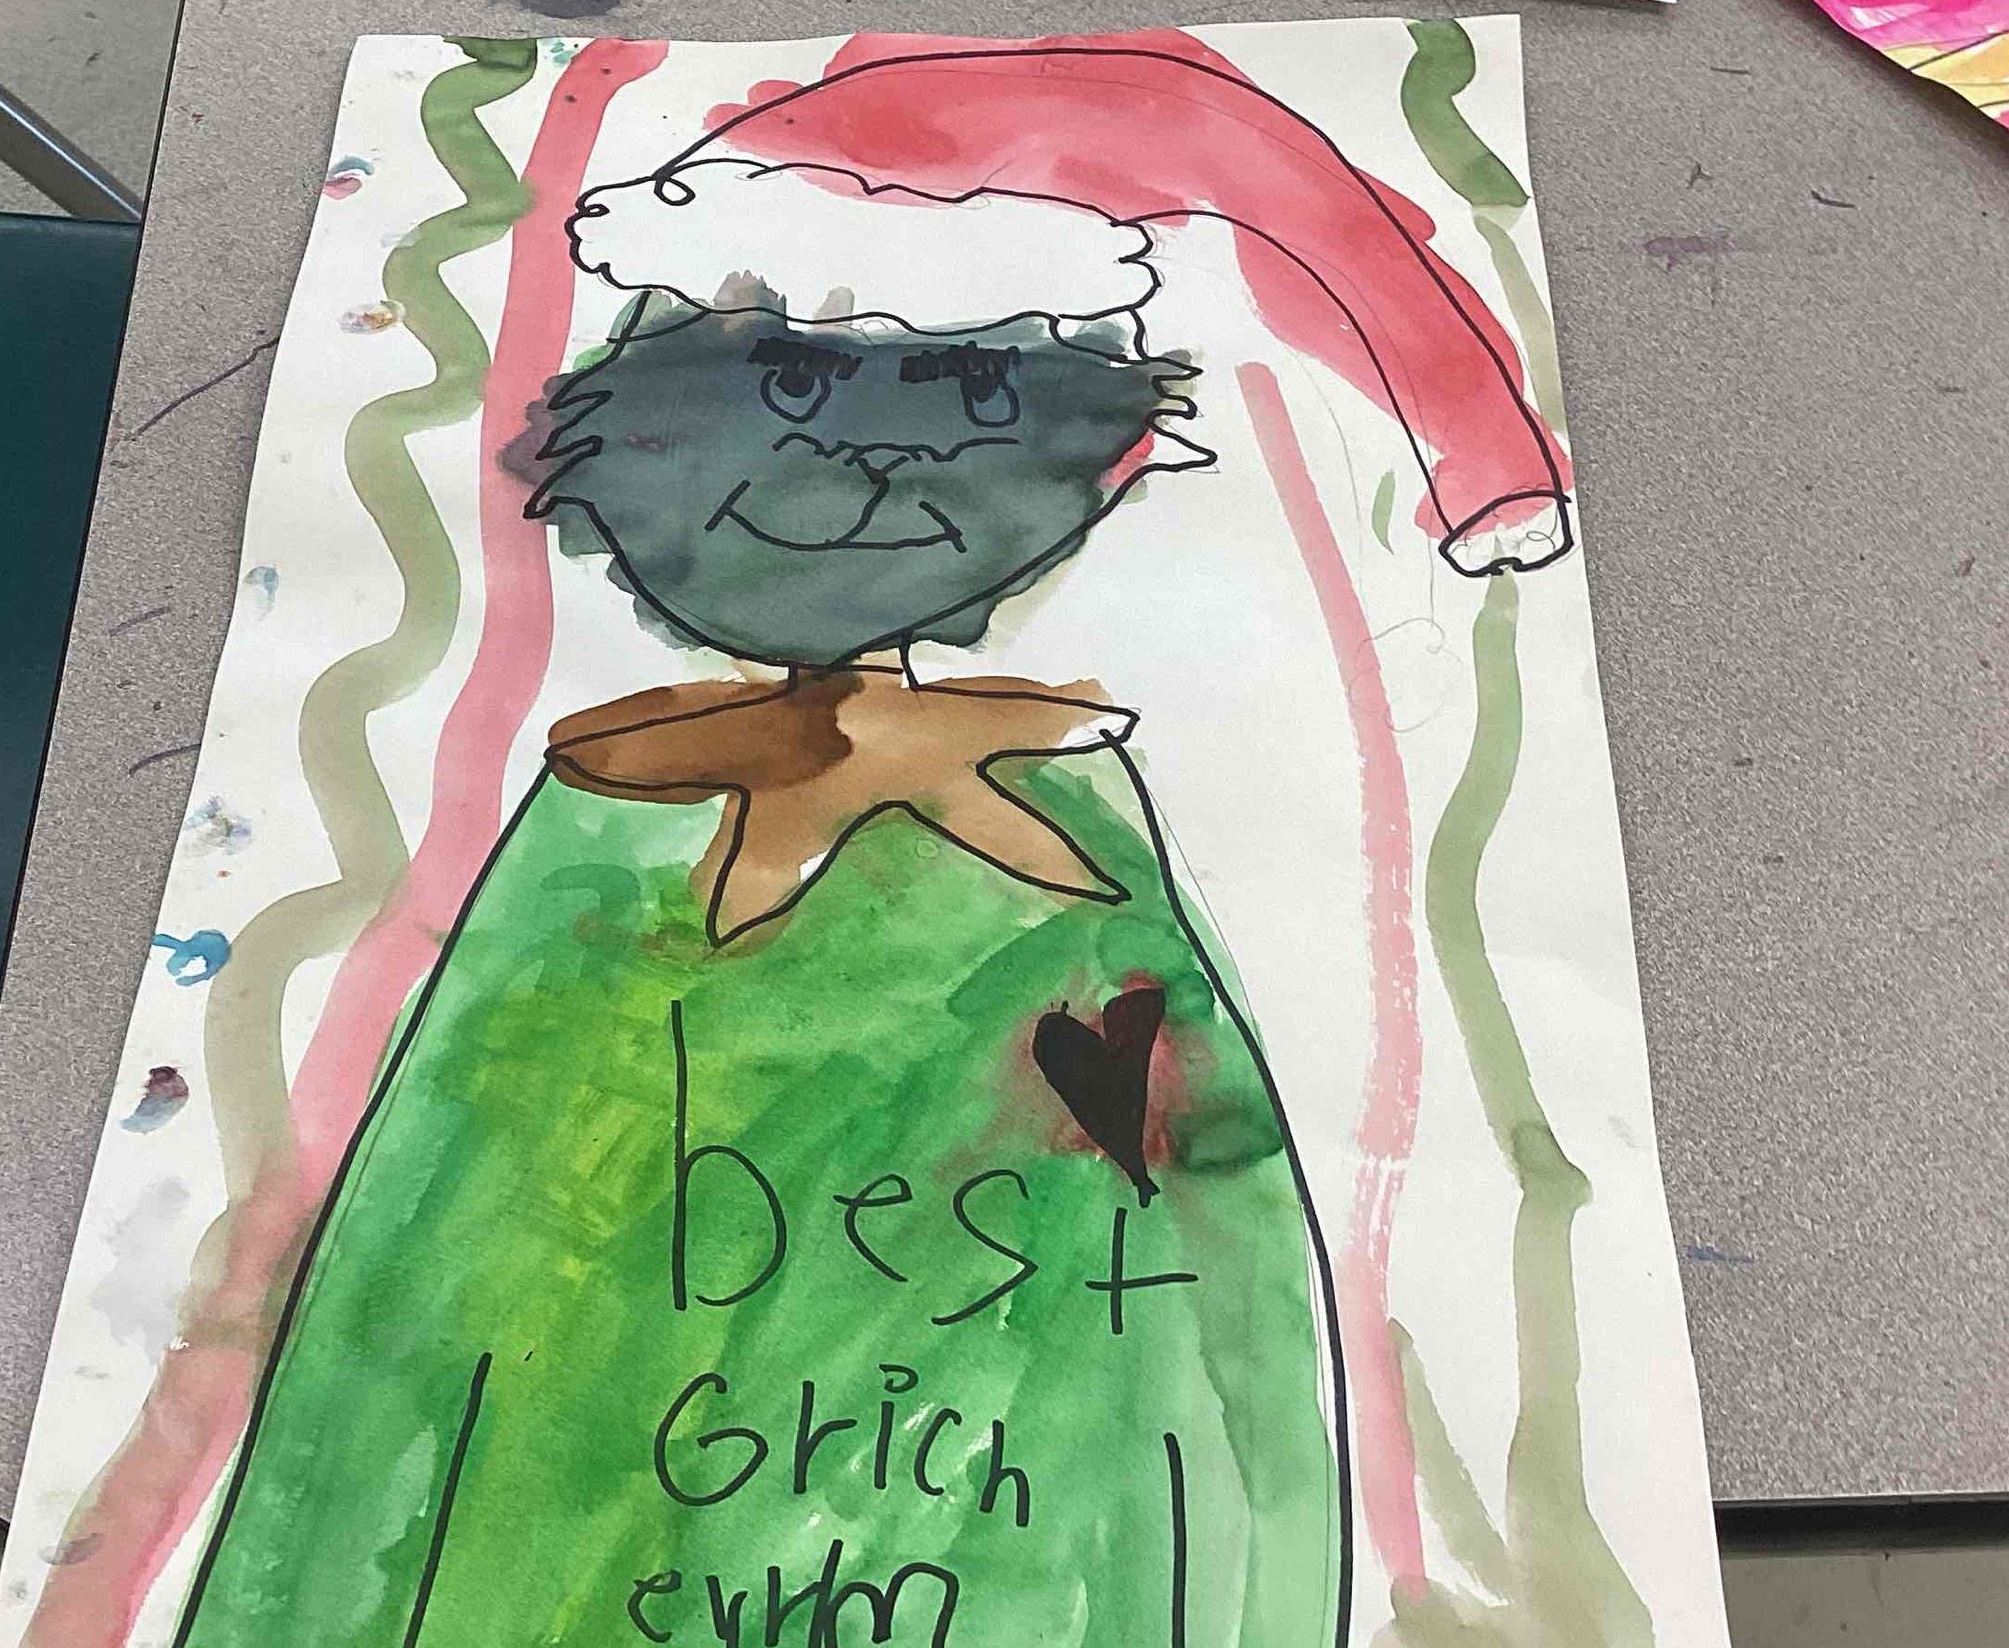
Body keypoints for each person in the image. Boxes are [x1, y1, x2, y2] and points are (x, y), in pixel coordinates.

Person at [175, 42, 1569, 1648]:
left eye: (975, 400)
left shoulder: (1063, 838)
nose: (868, 469)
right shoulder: (607, 834)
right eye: (788, 385)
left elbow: (1215, 1321)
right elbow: (406, 1315)